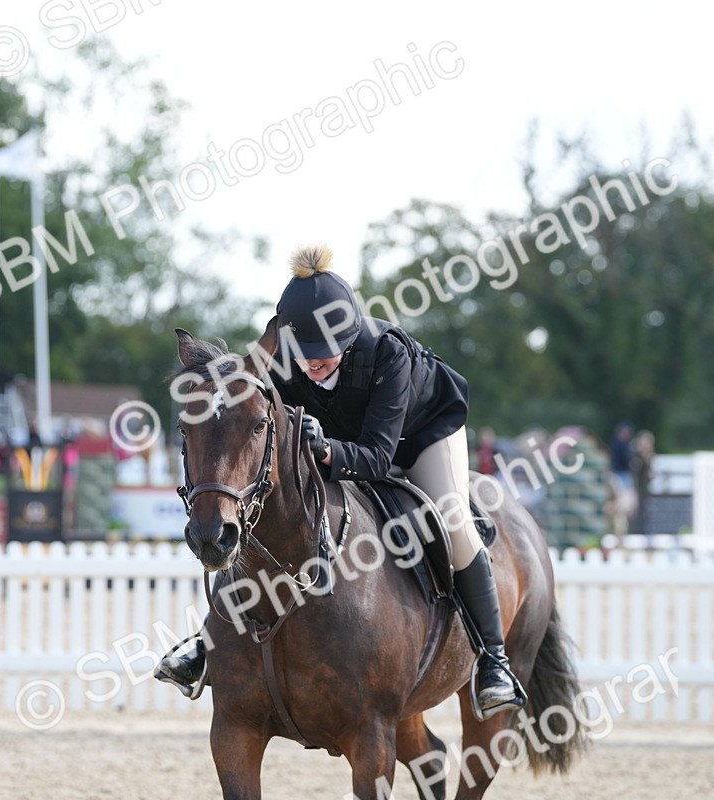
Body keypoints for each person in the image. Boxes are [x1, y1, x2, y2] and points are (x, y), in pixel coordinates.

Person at [156, 245, 524, 717]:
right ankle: (210, 641)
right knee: (254, 517)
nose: (312, 363)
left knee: (453, 521)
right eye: (302, 353)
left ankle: (493, 660)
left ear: (348, 337)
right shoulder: (280, 362)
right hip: (345, 435)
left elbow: (379, 457)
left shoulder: (388, 354)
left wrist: (326, 448)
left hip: (418, 434)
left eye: (323, 353)